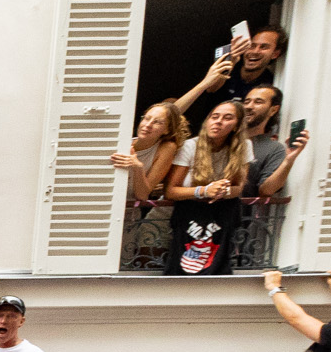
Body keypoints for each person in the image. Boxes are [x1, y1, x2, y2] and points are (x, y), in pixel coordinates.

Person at [163, 99, 249, 276]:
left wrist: (223, 191)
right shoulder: (190, 146)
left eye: (227, 118)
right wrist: (203, 190)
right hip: (175, 216)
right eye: (214, 116)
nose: (218, 121)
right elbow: (170, 191)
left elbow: (238, 188)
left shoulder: (244, 147)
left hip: (216, 219)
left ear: (236, 126)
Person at [182, 25, 285, 128]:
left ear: (275, 54)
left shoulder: (269, 84)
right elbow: (211, 88)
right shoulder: (230, 66)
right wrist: (229, 64)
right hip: (207, 131)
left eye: (263, 47)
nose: (255, 51)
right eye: (252, 46)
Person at [110, 99, 190, 200]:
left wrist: (138, 167)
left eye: (157, 122)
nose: (147, 125)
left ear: (167, 130)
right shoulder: (121, 143)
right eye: (146, 119)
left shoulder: (167, 148)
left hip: (129, 211)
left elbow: (142, 195)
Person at [241, 85, 309, 197]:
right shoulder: (225, 137)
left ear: (273, 110)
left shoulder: (274, 148)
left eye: (258, 102)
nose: (249, 106)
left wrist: (289, 160)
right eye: (247, 101)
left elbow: (266, 190)